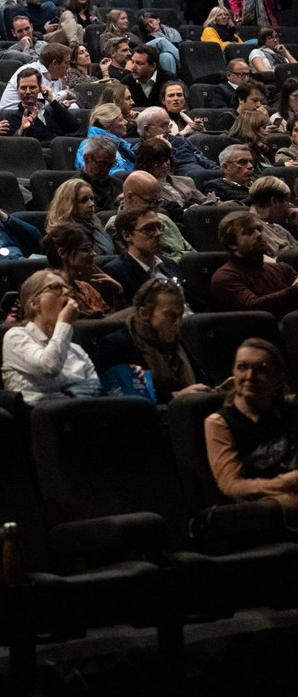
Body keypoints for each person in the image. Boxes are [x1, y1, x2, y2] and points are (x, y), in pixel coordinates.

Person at [204, 338, 298, 512]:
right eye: (242, 367)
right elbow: (231, 485)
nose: (250, 376)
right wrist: (286, 483)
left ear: (278, 378)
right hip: (264, 511)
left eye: (261, 369)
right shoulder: (219, 423)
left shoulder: (291, 410)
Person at [93, 279, 208, 403]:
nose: (178, 323)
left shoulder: (178, 342)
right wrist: (176, 396)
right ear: (144, 313)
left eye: (181, 316)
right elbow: (127, 400)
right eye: (171, 316)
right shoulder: (115, 346)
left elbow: (203, 381)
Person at [1, 269, 104, 404]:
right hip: (40, 419)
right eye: (56, 287)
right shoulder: (15, 337)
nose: (67, 292)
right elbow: (49, 367)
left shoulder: (76, 350)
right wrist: (64, 322)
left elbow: (97, 392)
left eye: (68, 289)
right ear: (34, 304)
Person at [210, 211, 298, 317]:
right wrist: (294, 290)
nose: (259, 235)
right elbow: (252, 307)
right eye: (249, 232)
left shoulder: (283, 269)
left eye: (259, 229)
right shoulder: (225, 277)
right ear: (232, 244)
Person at [43, 223, 126, 318]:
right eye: (85, 249)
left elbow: (112, 323)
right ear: (62, 253)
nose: (93, 253)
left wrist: (118, 294)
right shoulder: (48, 291)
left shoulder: (86, 288)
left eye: (91, 248)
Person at [103, 208, 184, 303]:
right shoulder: (115, 272)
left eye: (158, 227)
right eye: (148, 229)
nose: (158, 233)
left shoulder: (169, 264)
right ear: (127, 236)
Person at [46, 178, 115, 255]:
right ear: (68, 204)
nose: (91, 204)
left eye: (92, 199)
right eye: (84, 200)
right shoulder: (61, 237)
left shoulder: (96, 226)